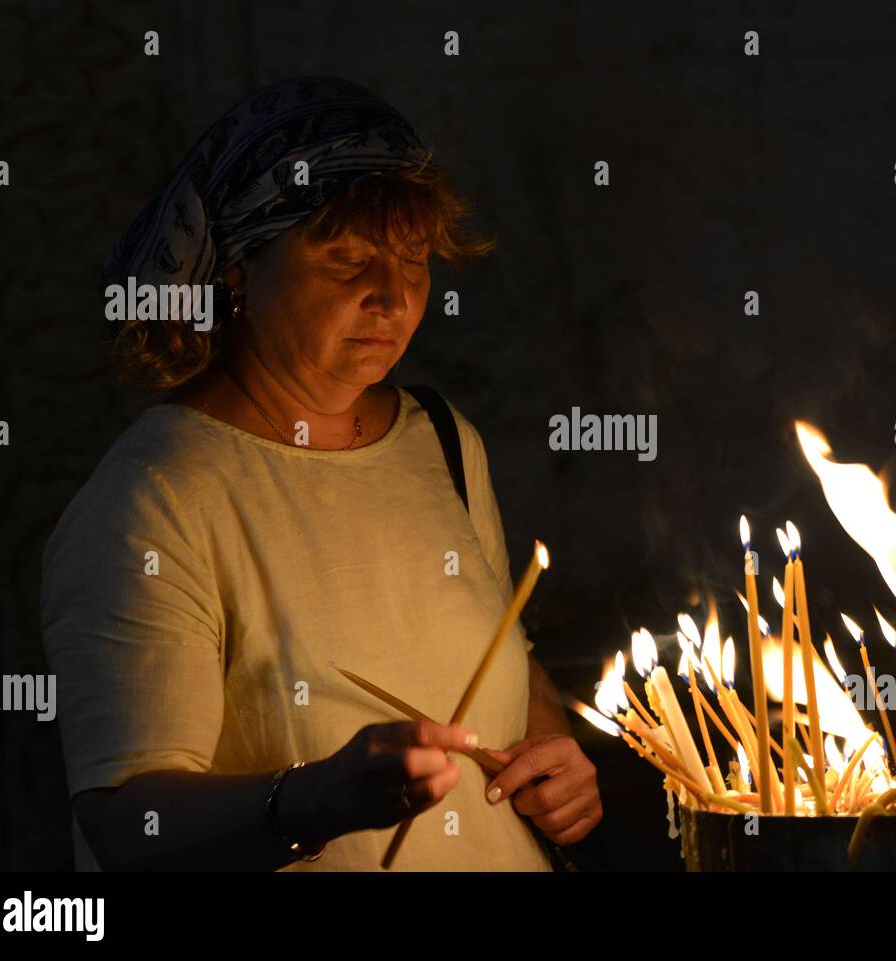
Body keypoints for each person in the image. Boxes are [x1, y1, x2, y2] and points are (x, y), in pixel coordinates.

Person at [41, 76, 601, 871]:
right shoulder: (154, 502)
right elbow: (129, 826)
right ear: (238, 270)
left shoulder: (439, 438)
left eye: (413, 261)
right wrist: (315, 800)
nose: (393, 296)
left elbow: (506, 659)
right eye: (347, 260)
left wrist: (550, 742)